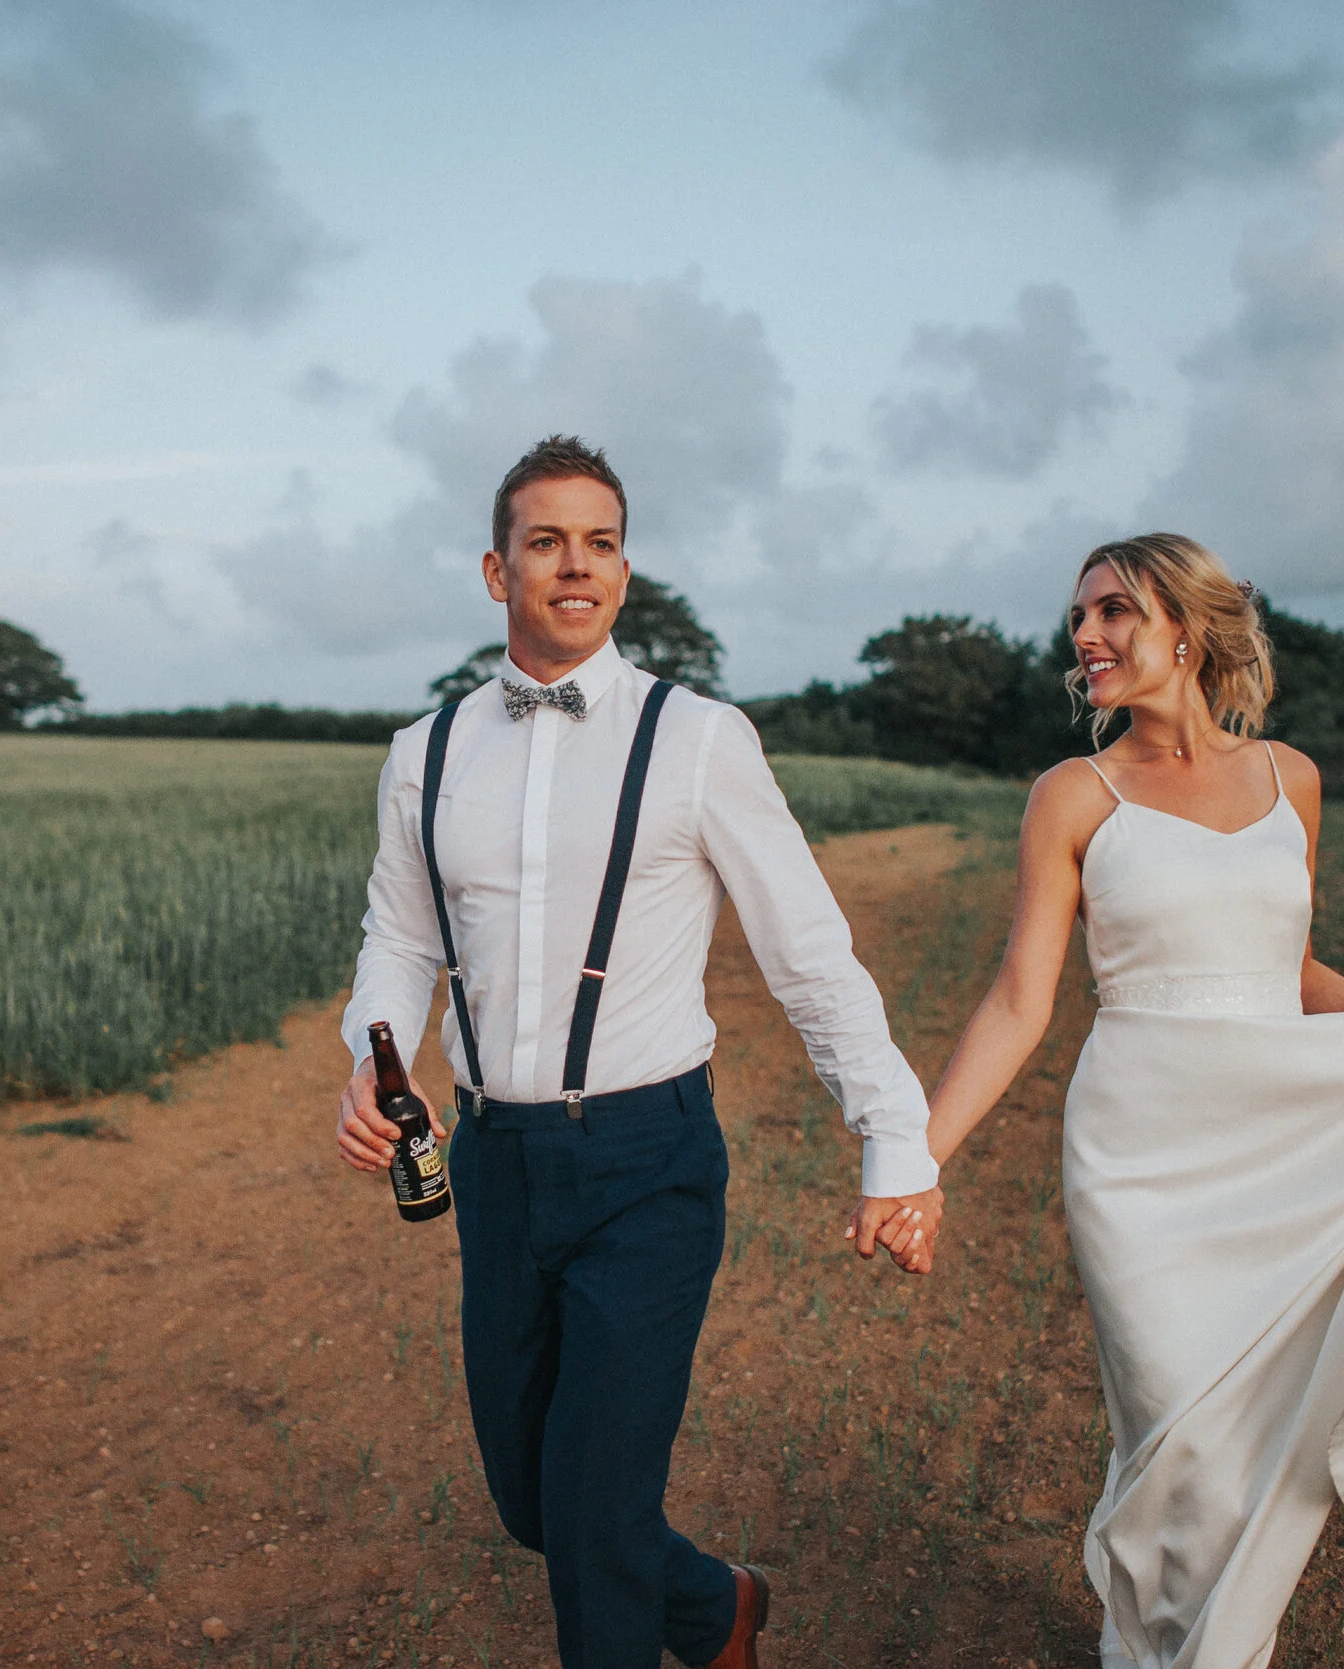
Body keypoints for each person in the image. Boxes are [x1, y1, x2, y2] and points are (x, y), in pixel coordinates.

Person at [909, 534, 1344, 1669]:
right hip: (1140, 1157)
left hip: (1278, 1134)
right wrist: (916, 1156)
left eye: (1112, 613)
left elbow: (1288, 970)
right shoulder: (1071, 796)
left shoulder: (1293, 778)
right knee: (1174, 1428)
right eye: (1079, 617)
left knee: (1263, 1437)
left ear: (1186, 630)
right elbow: (1016, 1000)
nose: (1083, 637)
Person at [336, 434, 944, 1669]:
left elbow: (807, 951)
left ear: (625, 569)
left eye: (601, 543)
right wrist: (370, 1057)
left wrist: (893, 1135)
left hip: (646, 1160)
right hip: (496, 1162)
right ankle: (714, 1605)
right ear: (495, 568)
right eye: (546, 541)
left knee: (598, 1515)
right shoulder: (426, 753)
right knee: (534, 1504)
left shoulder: (700, 737)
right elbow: (400, 941)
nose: (576, 565)